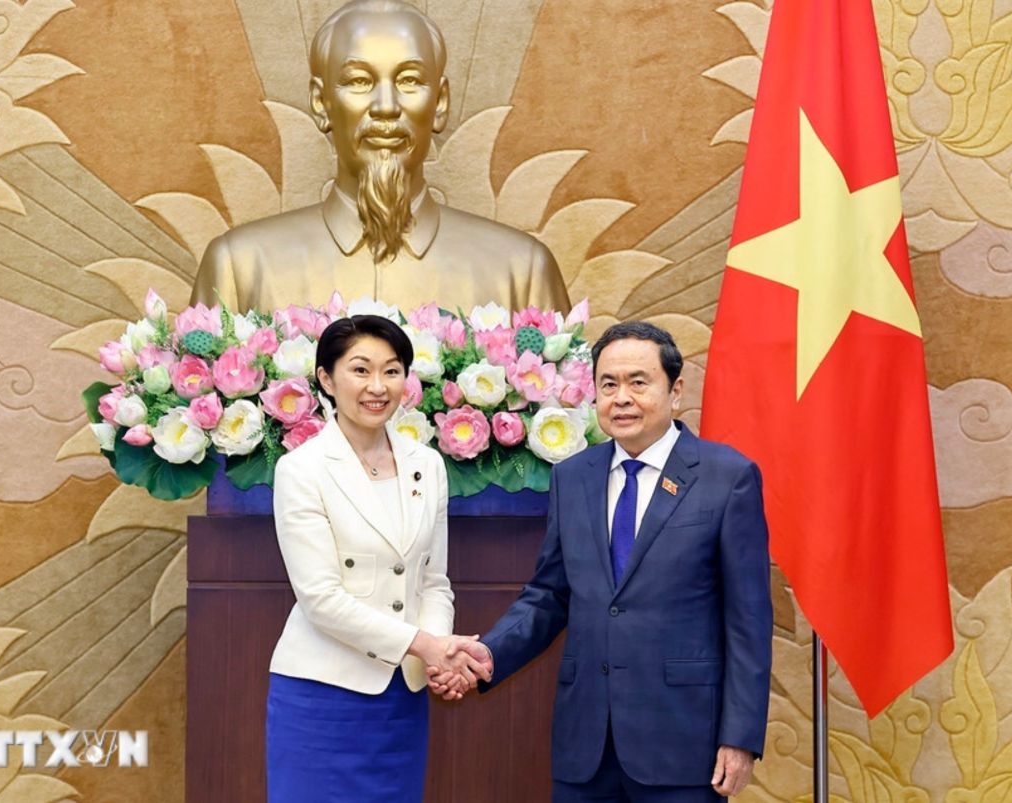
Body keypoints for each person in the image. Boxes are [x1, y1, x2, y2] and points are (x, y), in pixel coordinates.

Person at [432, 321, 774, 802]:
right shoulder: (573, 477)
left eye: (639, 382)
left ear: (675, 391)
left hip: (682, 741)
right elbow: (549, 595)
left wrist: (739, 738)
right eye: (609, 385)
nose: (622, 398)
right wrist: (491, 653)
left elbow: (749, 620)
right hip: (585, 743)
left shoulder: (727, 477)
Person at [189, 0, 570, 315]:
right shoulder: (239, 268)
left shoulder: (522, 273)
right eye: (359, 81)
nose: (385, 107)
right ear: (321, 104)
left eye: (408, 81)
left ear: (439, 104)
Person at [267, 314, 489, 803]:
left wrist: (439, 656)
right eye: (360, 370)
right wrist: (426, 645)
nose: (378, 386)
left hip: (401, 696)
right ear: (326, 379)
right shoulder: (300, 470)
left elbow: (434, 581)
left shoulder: (426, 464)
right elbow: (320, 598)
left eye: (392, 370)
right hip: (322, 693)